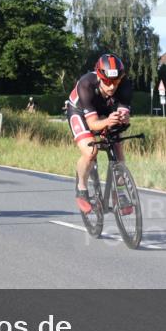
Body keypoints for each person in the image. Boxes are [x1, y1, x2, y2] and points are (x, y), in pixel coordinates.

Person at [67, 54, 133, 213]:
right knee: (91, 151)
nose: (112, 87)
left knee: (117, 146)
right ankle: (81, 188)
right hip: (80, 112)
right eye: (107, 82)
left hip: (104, 111)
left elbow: (124, 112)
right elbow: (93, 125)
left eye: (115, 82)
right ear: (99, 77)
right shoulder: (86, 84)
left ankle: (119, 192)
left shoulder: (125, 85)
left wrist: (123, 117)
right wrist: (107, 122)